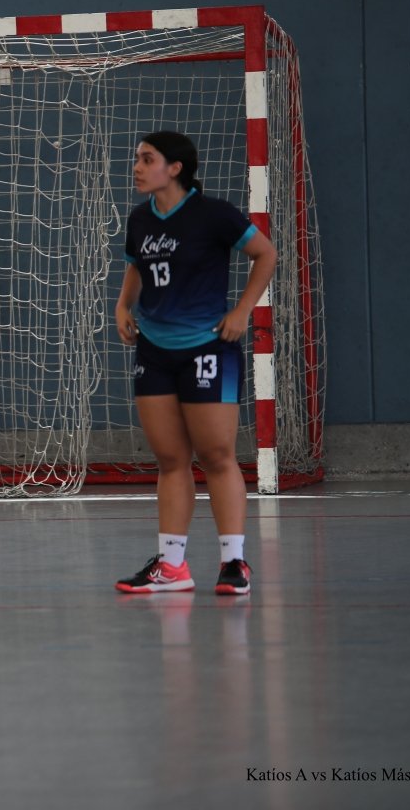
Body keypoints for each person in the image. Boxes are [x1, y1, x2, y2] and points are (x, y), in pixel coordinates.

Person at [113, 131, 277, 596]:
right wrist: (123, 306)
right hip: (154, 350)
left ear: (176, 168)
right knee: (170, 459)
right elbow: (135, 265)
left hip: (208, 347)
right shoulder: (140, 219)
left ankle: (233, 562)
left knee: (217, 455)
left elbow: (265, 253)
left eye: (147, 159)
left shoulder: (214, 214)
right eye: (137, 158)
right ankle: (172, 567)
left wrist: (242, 311)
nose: (137, 167)